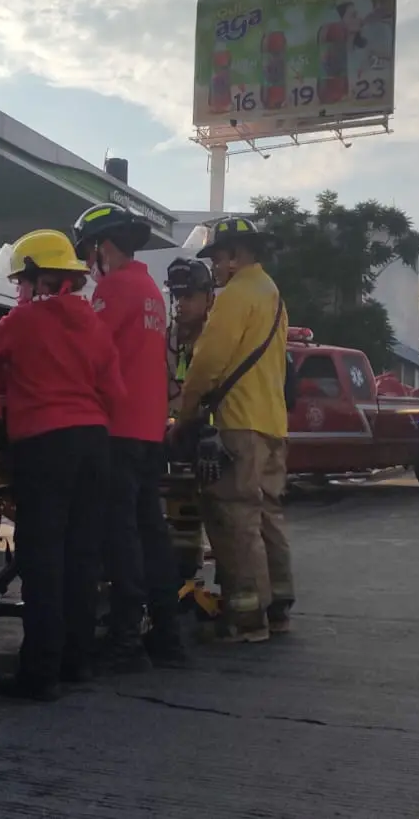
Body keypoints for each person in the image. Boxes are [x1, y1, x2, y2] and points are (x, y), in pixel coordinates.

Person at [0, 228, 124, 700]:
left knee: (42, 558)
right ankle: (76, 660)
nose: (18, 291)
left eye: (20, 282)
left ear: (37, 278)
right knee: (82, 555)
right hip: (94, 444)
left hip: (44, 445)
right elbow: (115, 393)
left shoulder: (24, 321)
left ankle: (39, 672)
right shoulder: (94, 324)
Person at [71, 203, 188, 671]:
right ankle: (166, 632)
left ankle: (124, 638)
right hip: (148, 428)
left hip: (117, 427)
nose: (87, 264)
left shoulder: (115, 289)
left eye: (88, 252)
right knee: (150, 532)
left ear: (103, 247)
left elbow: (87, 352)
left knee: (119, 535)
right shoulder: (150, 290)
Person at [173, 217, 294, 644]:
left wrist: (185, 415)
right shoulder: (272, 294)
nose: (215, 268)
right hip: (272, 423)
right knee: (267, 516)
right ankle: (278, 608)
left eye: (218, 258)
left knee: (234, 517)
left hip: (239, 423)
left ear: (236, 255)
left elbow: (208, 363)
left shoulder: (236, 296)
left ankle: (247, 618)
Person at [165, 257, 216, 408]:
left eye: (188, 296)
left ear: (209, 298)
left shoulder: (219, 341)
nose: (180, 304)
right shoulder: (165, 341)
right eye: (177, 296)